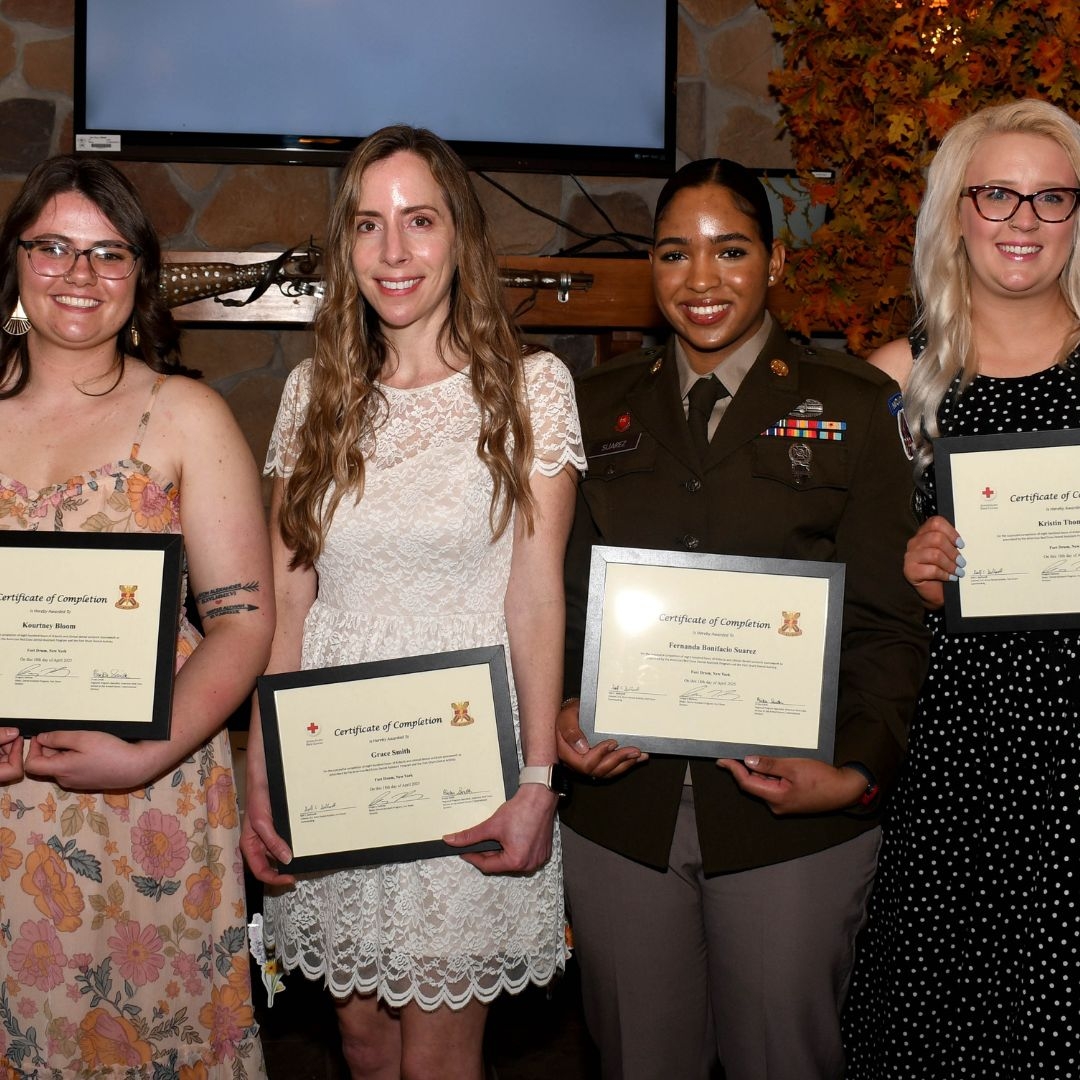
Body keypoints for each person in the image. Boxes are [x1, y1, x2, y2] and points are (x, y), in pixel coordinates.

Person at [555, 158, 930, 1080]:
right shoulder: (590, 409)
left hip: (788, 819)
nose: (702, 279)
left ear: (776, 261)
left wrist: (853, 770)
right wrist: (564, 710)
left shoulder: (851, 405)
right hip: (623, 811)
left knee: (783, 1058)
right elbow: (557, 599)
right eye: (674, 253)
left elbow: (889, 622)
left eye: (731, 250)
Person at [239, 125, 583, 1080]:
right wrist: (265, 769)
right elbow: (291, 596)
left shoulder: (530, 389)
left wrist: (538, 780)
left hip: (464, 757)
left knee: (438, 1054)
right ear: (344, 247)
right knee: (358, 1039)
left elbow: (534, 595)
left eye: (419, 221)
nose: (394, 253)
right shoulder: (314, 394)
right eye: (368, 225)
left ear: (460, 238)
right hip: (333, 764)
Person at [0, 157, 273, 1076]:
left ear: (141, 278)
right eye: (55, 249)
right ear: (16, 261)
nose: (80, 276)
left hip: (152, 793)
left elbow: (242, 623)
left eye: (109, 255)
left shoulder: (186, 415)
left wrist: (148, 750)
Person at [843, 99, 1080, 1077]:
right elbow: (837, 595)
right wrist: (903, 570)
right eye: (998, 195)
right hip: (952, 772)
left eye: (1052, 197)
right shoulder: (895, 385)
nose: (1023, 221)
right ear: (955, 212)